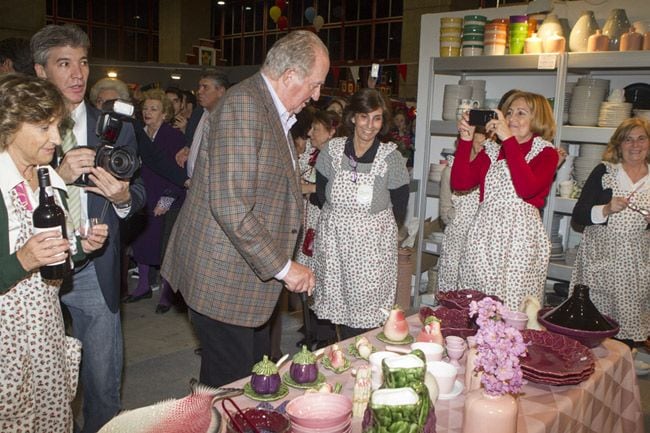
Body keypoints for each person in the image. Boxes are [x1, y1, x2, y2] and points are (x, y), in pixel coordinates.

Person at [161, 30, 327, 387]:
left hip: (245, 277)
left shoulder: (268, 108)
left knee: (245, 381)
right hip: (223, 280)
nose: (317, 95)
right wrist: (284, 268)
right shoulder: (244, 107)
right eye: (314, 84)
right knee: (232, 389)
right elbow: (231, 206)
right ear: (289, 77)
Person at [31, 24, 146, 432]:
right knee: (42, 386)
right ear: (41, 72)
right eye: (64, 63)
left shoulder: (116, 125)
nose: (78, 74)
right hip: (33, 272)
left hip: (95, 267)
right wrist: (57, 178)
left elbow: (140, 190)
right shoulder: (18, 127)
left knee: (102, 382)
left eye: (82, 62)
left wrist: (122, 199)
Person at [0, 73, 107, 432]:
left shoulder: (50, 179)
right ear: (10, 125)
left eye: (57, 126)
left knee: (51, 415)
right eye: (44, 128)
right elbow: (25, 259)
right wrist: (23, 261)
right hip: (5, 340)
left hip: (46, 326)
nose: (56, 139)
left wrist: (80, 248)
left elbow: (59, 254)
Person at [311, 88, 410, 340]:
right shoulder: (331, 152)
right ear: (353, 117)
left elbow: (399, 205)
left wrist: (370, 229)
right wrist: (342, 221)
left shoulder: (391, 158)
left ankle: (364, 363)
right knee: (337, 312)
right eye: (364, 117)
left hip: (371, 251)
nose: (370, 125)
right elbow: (322, 194)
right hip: (334, 246)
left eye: (377, 118)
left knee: (366, 318)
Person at [451, 91, 558, 310]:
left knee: (513, 308)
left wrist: (508, 140)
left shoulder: (546, 153)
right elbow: (460, 183)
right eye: (509, 112)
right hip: (483, 236)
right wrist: (465, 140)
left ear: (537, 119)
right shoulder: (492, 150)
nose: (511, 119)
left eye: (521, 113)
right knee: (475, 305)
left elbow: (526, 189)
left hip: (519, 239)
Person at [570, 118, 649, 347]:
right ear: (618, 145)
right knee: (594, 329)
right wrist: (606, 209)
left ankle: (620, 375)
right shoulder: (605, 172)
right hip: (600, 263)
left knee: (627, 331)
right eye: (628, 139)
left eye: (641, 138)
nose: (635, 145)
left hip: (636, 268)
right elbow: (579, 215)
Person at [124, 88, 187, 315]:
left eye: (154, 109)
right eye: (145, 108)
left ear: (164, 114)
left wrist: (167, 199)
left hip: (168, 198)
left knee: (165, 247)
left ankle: (167, 294)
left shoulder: (173, 136)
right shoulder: (137, 134)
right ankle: (142, 286)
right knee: (142, 242)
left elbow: (181, 173)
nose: (147, 112)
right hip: (143, 195)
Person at [437, 131, 485, 291]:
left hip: (481, 242)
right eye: (477, 145)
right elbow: (445, 209)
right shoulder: (450, 171)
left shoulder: (489, 171)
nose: (480, 150)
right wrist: (457, 218)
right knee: (450, 286)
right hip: (456, 241)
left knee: (474, 290)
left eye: (484, 145)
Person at [176, 72, 230, 177]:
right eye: (199, 87)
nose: (199, 91)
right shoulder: (198, 113)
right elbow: (191, 139)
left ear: (221, 91)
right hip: (192, 183)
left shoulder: (229, 118)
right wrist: (187, 148)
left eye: (205, 87)